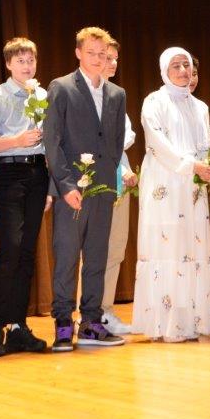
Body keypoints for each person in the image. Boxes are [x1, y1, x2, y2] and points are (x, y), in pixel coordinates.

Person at [44, 27, 128, 351]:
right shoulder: (62, 87)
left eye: (103, 54)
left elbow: (116, 142)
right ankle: (63, 323)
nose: (97, 59)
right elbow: (52, 142)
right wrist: (66, 185)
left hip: (103, 188)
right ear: (78, 53)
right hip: (71, 190)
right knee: (67, 257)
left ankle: (91, 322)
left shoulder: (117, 94)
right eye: (91, 53)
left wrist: (108, 181)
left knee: (97, 258)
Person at [132, 47, 210, 341]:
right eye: (176, 66)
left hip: (193, 185)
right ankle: (166, 323)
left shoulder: (200, 106)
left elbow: (205, 145)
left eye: (187, 65)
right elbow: (157, 143)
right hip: (165, 183)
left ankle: (193, 320)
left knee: (193, 247)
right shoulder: (154, 101)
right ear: (164, 70)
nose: (183, 70)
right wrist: (191, 165)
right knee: (168, 247)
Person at [0, 37, 51, 357]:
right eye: (20, 61)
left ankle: (18, 326)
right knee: (11, 247)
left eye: (31, 60)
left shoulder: (43, 96)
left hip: (37, 173)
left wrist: (50, 186)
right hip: (8, 172)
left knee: (27, 251)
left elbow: (50, 143)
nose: (27, 66)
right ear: (8, 64)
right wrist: (17, 140)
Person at [99, 38, 138, 335]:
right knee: (95, 250)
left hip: (118, 178)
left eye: (115, 59)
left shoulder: (116, 96)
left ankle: (105, 310)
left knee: (115, 248)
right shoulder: (84, 97)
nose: (112, 63)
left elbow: (123, 139)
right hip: (95, 180)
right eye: (106, 57)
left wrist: (124, 169)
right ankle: (90, 311)